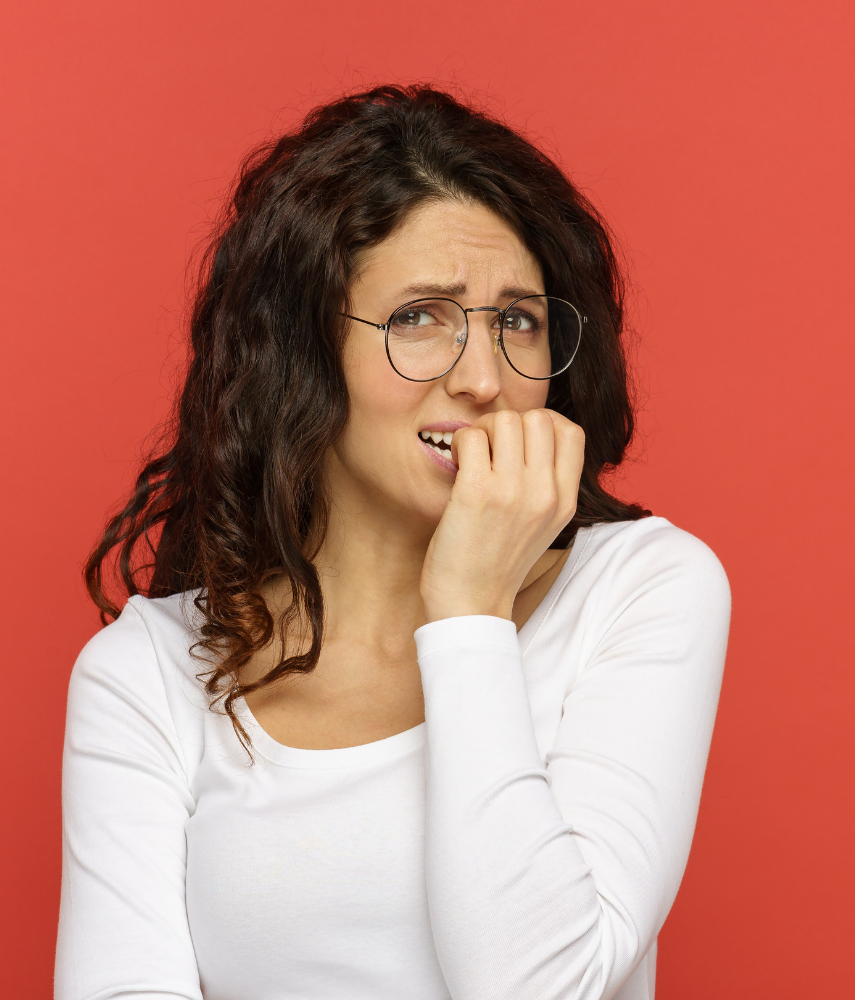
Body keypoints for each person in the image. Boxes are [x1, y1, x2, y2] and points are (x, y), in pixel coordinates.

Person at [55, 84, 730, 1000]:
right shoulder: (150, 672)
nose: (484, 378)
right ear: (301, 353)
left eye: (518, 320)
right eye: (419, 316)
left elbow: (543, 987)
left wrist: (468, 613)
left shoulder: (641, 589)